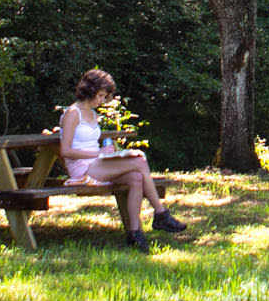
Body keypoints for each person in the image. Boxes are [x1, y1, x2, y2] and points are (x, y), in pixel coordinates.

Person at [59, 69, 186, 248]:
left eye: (104, 96)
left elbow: (91, 145)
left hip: (97, 164)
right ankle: (160, 213)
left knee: (136, 177)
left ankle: (134, 233)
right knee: (140, 159)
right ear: (90, 91)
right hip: (82, 168)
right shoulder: (73, 113)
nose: (102, 100)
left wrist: (107, 152)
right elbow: (65, 151)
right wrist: (98, 154)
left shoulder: (93, 115)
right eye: (101, 95)